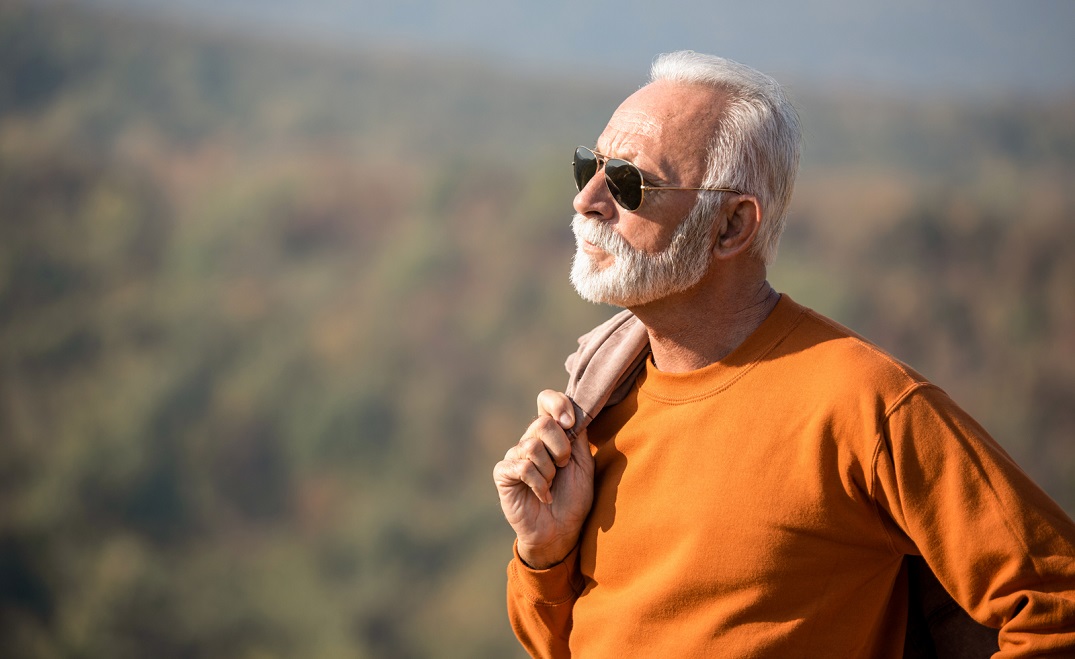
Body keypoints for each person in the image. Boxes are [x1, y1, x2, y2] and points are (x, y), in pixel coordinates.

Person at [492, 51, 1075, 657]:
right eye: (590, 166)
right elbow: (554, 645)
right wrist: (546, 556)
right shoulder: (597, 400)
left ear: (731, 227)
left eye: (628, 183)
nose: (587, 199)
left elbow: (1058, 604)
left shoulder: (864, 404)